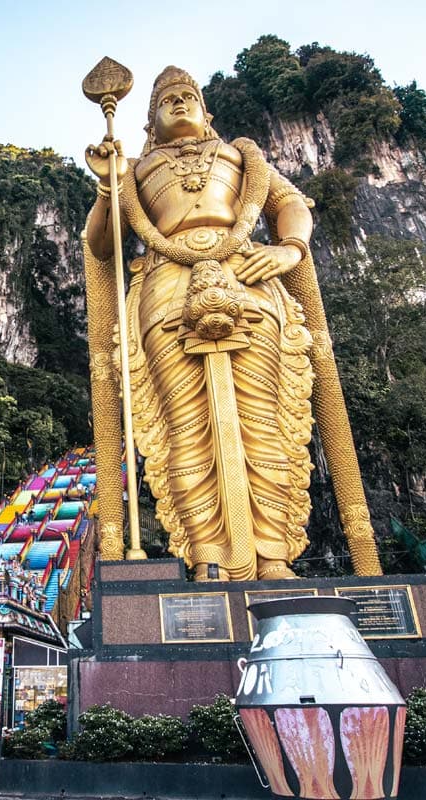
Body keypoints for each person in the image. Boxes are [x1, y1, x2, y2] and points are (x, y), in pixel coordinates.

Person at [84, 66, 319, 581]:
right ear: (151, 120)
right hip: (167, 285)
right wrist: (107, 187)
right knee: (184, 424)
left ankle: (274, 556)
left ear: (206, 111)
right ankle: (207, 556)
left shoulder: (241, 157)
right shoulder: (136, 171)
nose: (179, 102)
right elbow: (104, 245)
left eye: (189, 96)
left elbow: (291, 204)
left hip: (246, 274)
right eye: (167, 99)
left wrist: (289, 249)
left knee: (263, 418)